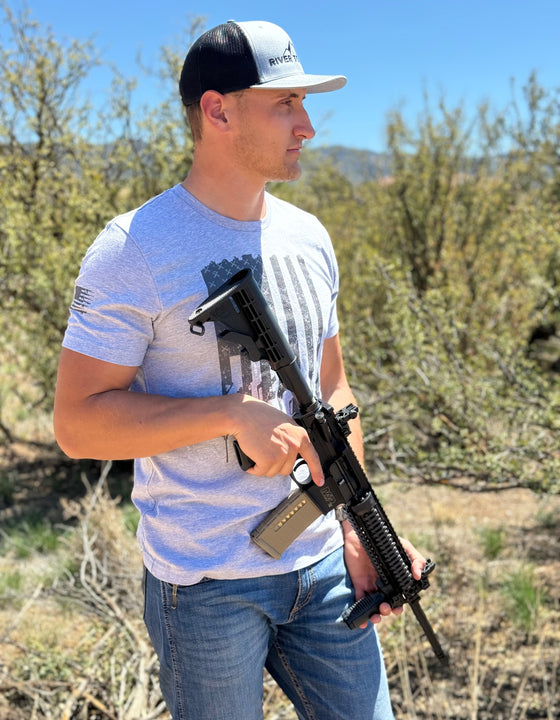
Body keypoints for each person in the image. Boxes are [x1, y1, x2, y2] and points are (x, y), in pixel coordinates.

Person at [54, 20, 426, 720]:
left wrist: (358, 527)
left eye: (303, 105)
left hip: (318, 564)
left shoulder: (309, 236)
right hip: (204, 584)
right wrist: (230, 415)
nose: (307, 126)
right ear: (218, 110)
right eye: (285, 104)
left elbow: (334, 391)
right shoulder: (132, 249)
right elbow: (76, 424)